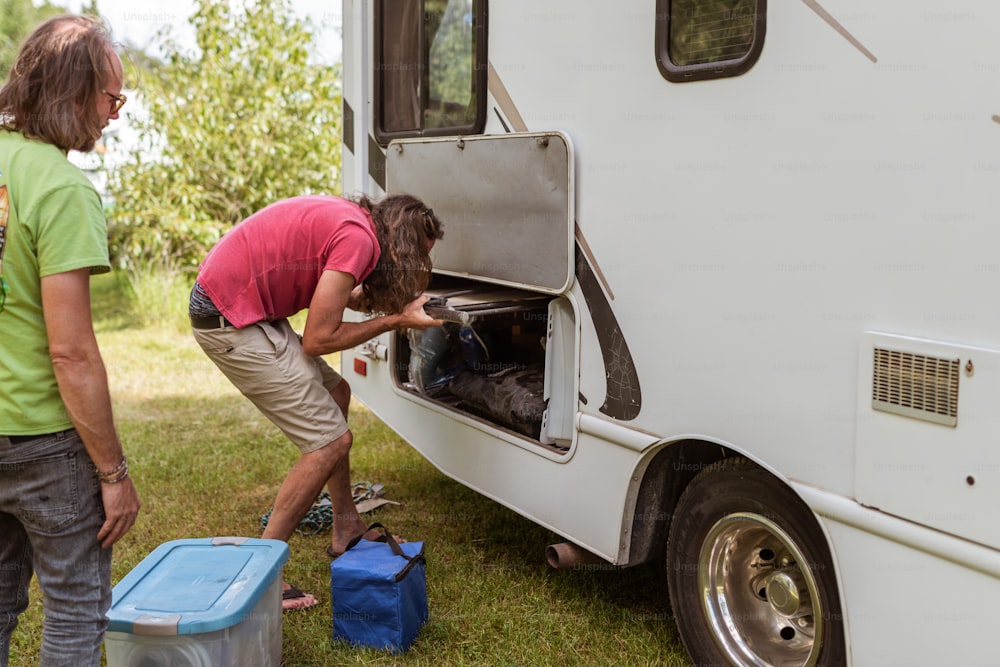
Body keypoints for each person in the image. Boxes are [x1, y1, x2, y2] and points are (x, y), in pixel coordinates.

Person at [189, 194, 443, 611]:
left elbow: (334, 294)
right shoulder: (358, 239)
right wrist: (397, 319)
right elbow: (318, 339)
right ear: (403, 245)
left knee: (336, 393)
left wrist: (388, 305)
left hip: (248, 310)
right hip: (230, 320)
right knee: (328, 443)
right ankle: (260, 575)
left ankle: (346, 529)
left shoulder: (357, 226)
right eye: (417, 259)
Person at [0, 14, 141, 666]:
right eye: (112, 96)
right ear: (72, 92)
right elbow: (71, 351)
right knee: (77, 604)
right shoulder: (61, 188)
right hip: (44, 440)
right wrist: (112, 473)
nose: (116, 112)